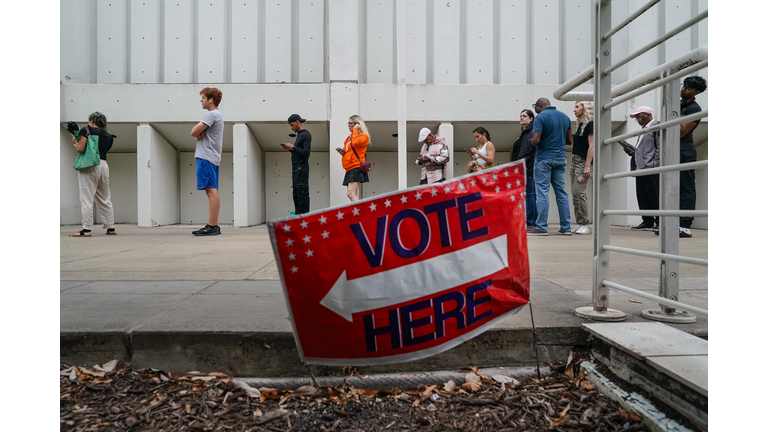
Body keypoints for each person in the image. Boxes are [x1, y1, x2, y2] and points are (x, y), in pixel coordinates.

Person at [528, 98, 572, 236]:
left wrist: (531, 142)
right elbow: (570, 140)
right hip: (561, 158)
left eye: (535, 106)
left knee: (542, 192)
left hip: (544, 159)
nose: (535, 109)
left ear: (540, 105)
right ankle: (566, 227)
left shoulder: (540, 118)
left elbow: (536, 140)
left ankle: (541, 227)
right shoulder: (565, 117)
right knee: (561, 192)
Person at [70, 112, 116, 237]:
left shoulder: (86, 130)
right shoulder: (109, 136)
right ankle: (110, 227)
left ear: (91, 120)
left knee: (86, 198)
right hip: (103, 165)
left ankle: (86, 229)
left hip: (90, 165)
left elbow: (80, 149)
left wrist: (75, 141)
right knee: (105, 198)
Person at [675, 76, 707, 238]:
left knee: (686, 187)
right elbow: (660, 130)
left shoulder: (694, 109)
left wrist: (674, 120)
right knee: (671, 187)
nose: (683, 89)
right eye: (683, 85)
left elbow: (680, 132)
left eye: (688, 87)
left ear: (697, 92)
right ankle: (672, 223)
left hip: (685, 150)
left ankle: (685, 226)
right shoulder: (677, 105)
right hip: (672, 150)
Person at [190, 87, 224, 236]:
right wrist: (197, 136)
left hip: (206, 157)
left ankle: (212, 226)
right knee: (213, 190)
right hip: (212, 157)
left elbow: (193, 131)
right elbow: (197, 134)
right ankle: (213, 225)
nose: (201, 100)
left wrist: (196, 135)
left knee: (211, 191)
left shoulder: (211, 114)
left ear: (211, 100)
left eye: (203, 97)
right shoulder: (218, 115)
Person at [624, 106, 660, 231]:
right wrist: (632, 152)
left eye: (640, 117)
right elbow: (643, 149)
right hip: (640, 167)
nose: (638, 120)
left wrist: (655, 163)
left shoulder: (656, 126)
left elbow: (660, 146)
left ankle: (659, 221)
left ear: (648, 115)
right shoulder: (643, 130)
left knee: (654, 195)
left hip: (650, 167)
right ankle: (647, 221)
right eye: (637, 118)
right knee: (642, 195)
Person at [571, 101, 594, 235]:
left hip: (583, 162)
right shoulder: (581, 126)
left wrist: (587, 166)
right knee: (575, 193)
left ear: (585, 109)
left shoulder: (591, 124)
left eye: (577, 107)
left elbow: (592, 146)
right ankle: (580, 223)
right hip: (574, 161)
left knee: (579, 193)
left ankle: (584, 224)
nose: (574, 109)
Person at [281, 114, 312, 214]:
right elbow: (299, 153)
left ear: (298, 122)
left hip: (301, 169)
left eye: (292, 125)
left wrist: (293, 147)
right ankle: (298, 218)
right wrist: (290, 149)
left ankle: (304, 219)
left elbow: (306, 152)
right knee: (296, 195)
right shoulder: (299, 134)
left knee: (302, 194)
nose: (291, 127)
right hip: (296, 169)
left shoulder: (305, 134)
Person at [511, 109, 537, 230]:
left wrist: (524, 164)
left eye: (524, 116)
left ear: (531, 119)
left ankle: (531, 222)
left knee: (530, 195)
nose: (521, 118)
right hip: (520, 168)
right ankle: (526, 221)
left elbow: (528, 151)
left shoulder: (531, 132)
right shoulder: (524, 133)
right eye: (520, 116)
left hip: (527, 168)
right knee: (525, 195)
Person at [337, 115, 370, 202]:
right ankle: (357, 209)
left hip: (356, 166)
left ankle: (359, 210)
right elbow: (349, 150)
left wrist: (355, 129)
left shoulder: (363, 136)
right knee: (351, 194)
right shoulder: (349, 138)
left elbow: (356, 143)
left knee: (351, 194)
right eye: (348, 123)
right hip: (349, 167)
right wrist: (343, 153)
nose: (348, 125)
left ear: (357, 124)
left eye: (350, 123)